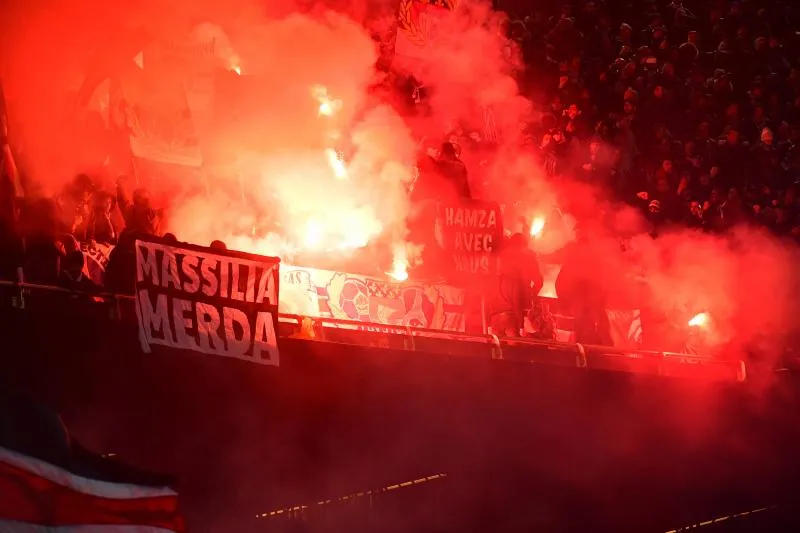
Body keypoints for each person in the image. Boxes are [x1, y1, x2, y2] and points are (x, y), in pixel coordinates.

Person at [487, 233, 543, 337]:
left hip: (496, 313)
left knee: (497, 348)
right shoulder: (529, 258)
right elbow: (539, 281)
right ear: (524, 245)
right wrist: (532, 294)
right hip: (521, 310)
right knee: (520, 345)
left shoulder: (498, 257)